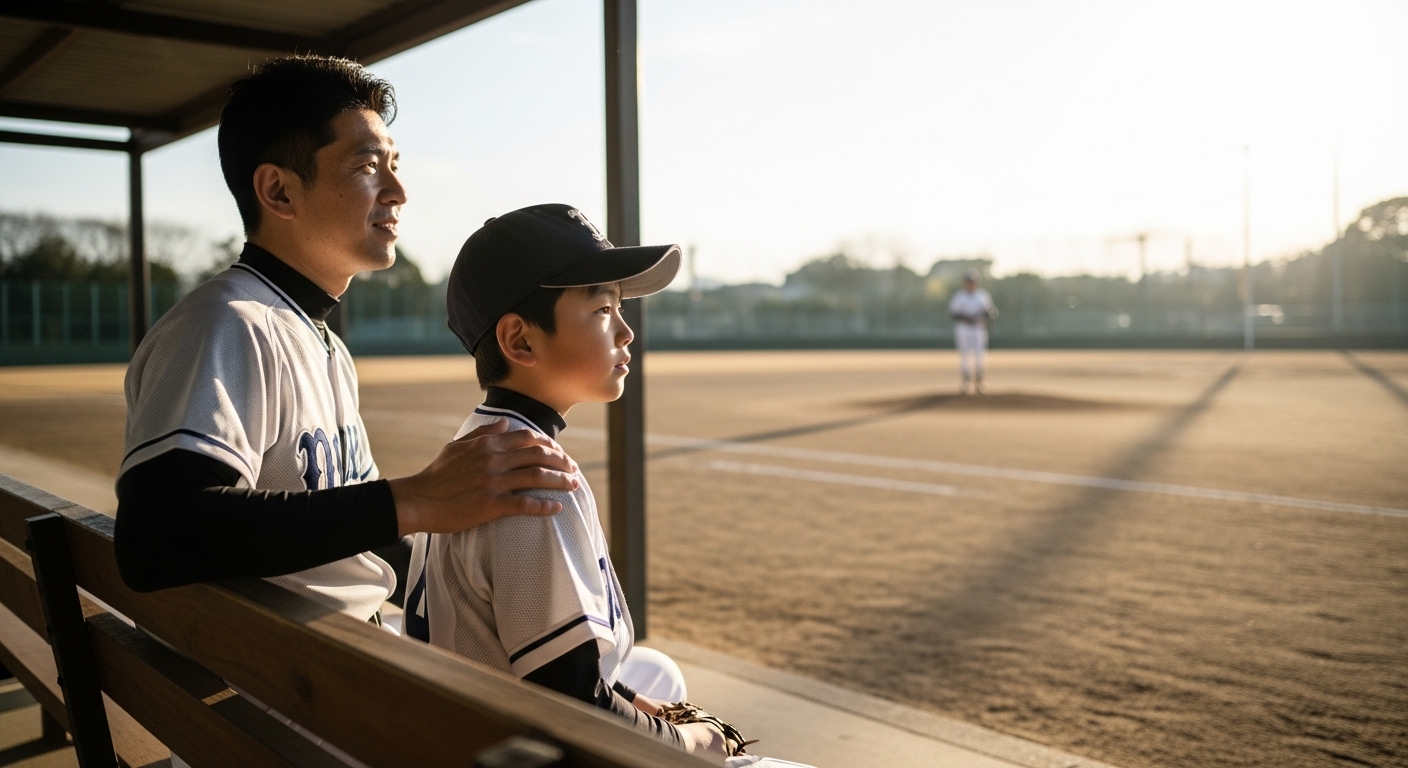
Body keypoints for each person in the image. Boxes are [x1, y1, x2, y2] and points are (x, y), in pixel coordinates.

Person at [115, 55, 578, 623]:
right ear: (279, 192)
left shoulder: (314, 336)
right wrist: (411, 498)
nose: (398, 190)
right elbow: (155, 536)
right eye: (367, 166)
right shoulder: (229, 322)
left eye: (394, 164)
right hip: (317, 692)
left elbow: (361, 539)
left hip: (331, 668)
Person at [404, 204, 757, 760]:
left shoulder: (477, 443)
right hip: (512, 750)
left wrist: (641, 706)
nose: (625, 330)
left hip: (467, 726)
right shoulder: (534, 480)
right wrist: (691, 742)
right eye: (602, 309)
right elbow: (572, 705)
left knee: (656, 676)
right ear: (519, 341)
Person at [948, 269, 997, 394]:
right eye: (968, 282)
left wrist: (985, 317)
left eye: (973, 282)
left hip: (978, 327)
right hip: (964, 327)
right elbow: (953, 314)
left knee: (980, 355)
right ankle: (966, 383)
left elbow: (990, 312)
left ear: (976, 283)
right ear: (965, 283)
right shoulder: (959, 296)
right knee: (964, 355)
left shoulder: (982, 296)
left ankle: (980, 383)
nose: (970, 284)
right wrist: (968, 317)